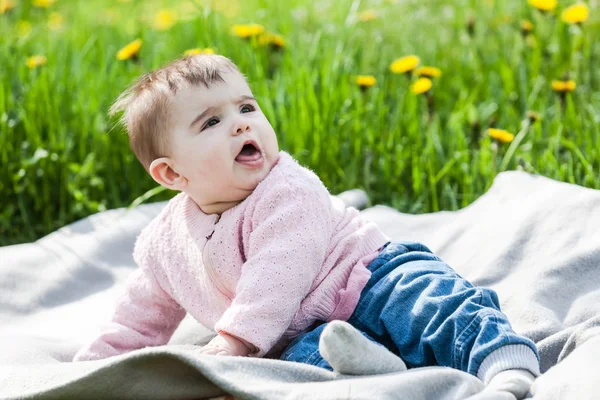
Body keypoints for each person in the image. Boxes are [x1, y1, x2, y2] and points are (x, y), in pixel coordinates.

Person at [73, 54, 540, 398]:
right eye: (212, 121)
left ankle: (501, 361)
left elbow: (278, 272)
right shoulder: (166, 241)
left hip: (367, 277)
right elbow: (141, 314)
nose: (240, 125)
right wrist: (91, 371)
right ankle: (376, 374)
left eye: (247, 108)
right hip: (302, 332)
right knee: (295, 373)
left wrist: (233, 341)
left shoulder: (287, 188)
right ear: (173, 174)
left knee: (428, 303)